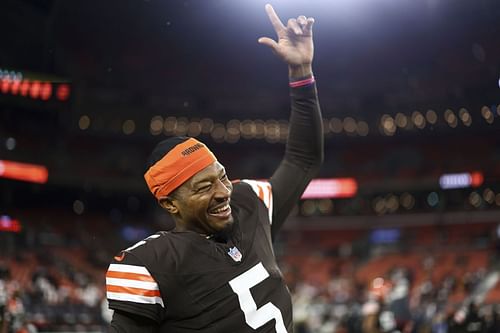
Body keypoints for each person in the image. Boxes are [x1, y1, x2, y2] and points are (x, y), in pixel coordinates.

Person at [106, 4, 323, 332]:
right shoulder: (152, 264)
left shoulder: (248, 205)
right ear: (169, 203)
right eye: (204, 187)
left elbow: (302, 159)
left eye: (221, 176)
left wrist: (302, 73)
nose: (223, 192)